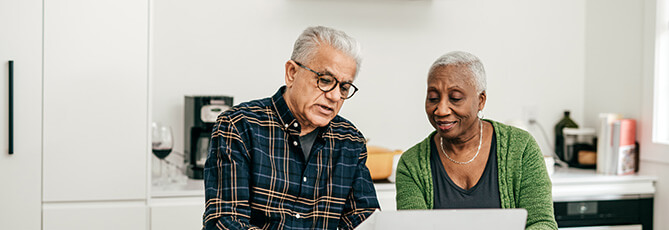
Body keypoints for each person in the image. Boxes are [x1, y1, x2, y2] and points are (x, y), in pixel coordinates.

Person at [203, 26, 379, 230]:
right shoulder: (239, 126)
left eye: (344, 87)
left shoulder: (350, 141)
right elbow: (226, 221)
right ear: (292, 73)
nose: (335, 96)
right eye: (325, 80)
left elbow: (366, 222)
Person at [395, 51, 558, 229]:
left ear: (481, 101)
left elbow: (542, 223)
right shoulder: (411, 165)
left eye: (455, 98)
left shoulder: (521, 148)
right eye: (433, 98)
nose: (441, 110)